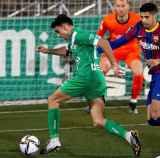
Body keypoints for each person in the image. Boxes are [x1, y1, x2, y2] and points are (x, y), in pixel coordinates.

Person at [37, 14, 141, 156]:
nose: (59, 35)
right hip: (97, 81)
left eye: (58, 31)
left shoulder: (79, 34)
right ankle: (129, 136)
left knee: (52, 100)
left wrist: (114, 64)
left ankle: (54, 140)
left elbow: (104, 42)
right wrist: (48, 50)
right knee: (98, 120)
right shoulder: (74, 40)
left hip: (86, 78)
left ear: (65, 26)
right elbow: (66, 51)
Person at [102, 2, 160, 156]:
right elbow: (119, 41)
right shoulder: (138, 27)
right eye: (142, 16)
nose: (143, 20)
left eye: (147, 17)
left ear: (154, 16)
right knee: (152, 119)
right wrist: (98, 46)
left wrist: (159, 60)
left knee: (157, 114)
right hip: (156, 75)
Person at [97, 0, 144, 114]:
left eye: (123, 6)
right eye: (118, 6)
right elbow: (98, 38)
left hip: (131, 50)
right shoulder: (107, 20)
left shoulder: (138, 19)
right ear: (114, 7)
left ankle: (133, 102)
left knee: (138, 71)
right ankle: (98, 100)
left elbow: (146, 36)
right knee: (99, 70)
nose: (121, 9)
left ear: (128, 7)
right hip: (114, 50)